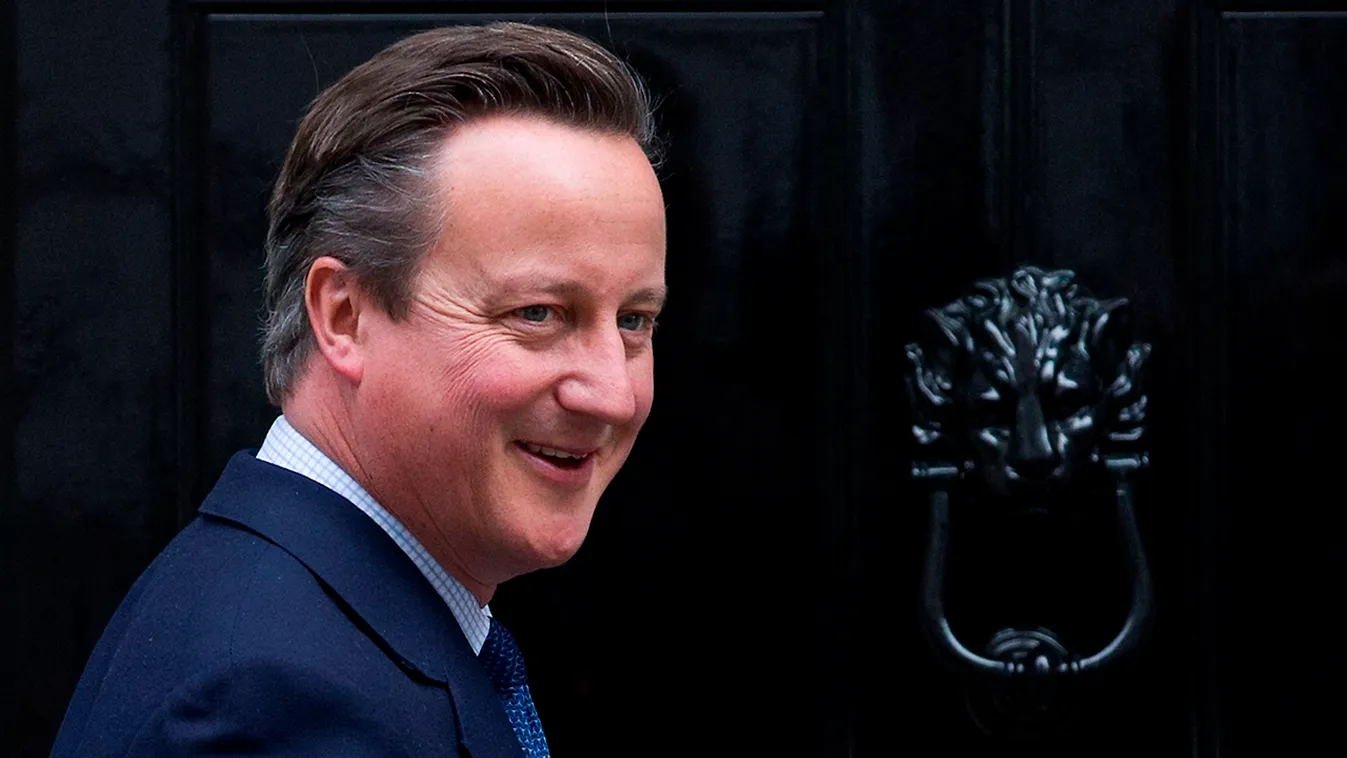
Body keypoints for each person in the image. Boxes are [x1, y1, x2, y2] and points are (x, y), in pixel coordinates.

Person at [49, 21, 667, 758]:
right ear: (344, 315)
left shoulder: (297, 621)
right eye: (536, 313)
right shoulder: (279, 701)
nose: (611, 395)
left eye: (633, 320)